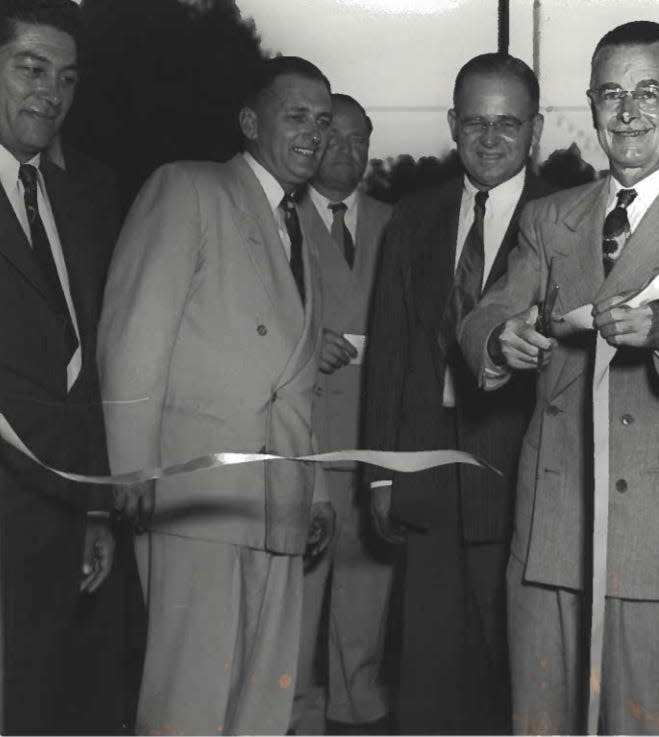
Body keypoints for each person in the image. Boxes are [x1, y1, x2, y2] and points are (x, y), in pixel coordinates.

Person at [460, 21, 659, 734]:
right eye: (610, 93)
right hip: (551, 535)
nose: (627, 112)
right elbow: (486, 314)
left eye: (647, 91)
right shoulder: (549, 218)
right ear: (592, 106)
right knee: (541, 721)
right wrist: (499, 339)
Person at [98, 56, 336, 735]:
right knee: (189, 697)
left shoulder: (300, 228)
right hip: (194, 489)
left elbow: (293, 382)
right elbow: (133, 338)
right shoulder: (187, 188)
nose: (313, 135)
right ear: (250, 121)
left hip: (278, 498)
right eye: (296, 116)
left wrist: (314, 492)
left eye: (323, 121)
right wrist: (132, 467)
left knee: (262, 702)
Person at [363, 52, 552, 734]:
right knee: (430, 682)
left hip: (524, 477)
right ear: (452, 124)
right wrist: (381, 478)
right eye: (476, 121)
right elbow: (388, 352)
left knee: (518, 680)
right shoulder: (412, 218)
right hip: (425, 473)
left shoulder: (566, 218)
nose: (492, 137)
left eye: (509, 122)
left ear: (537, 129)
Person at [0, 0, 125, 731]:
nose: (51, 92)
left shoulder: (84, 194)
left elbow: (89, 367)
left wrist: (97, 506)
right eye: (31, 69)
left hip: (59, 510)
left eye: (67, 78)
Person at [292, 93, 394, 734]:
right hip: (304, 429)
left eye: (362, 140)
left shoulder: (396, 221)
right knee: (300, 572)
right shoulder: (279, 214)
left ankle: (356, 700)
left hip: (375, 429)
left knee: (368, 572)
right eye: (337, 137)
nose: (349, 152)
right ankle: (293, 705)